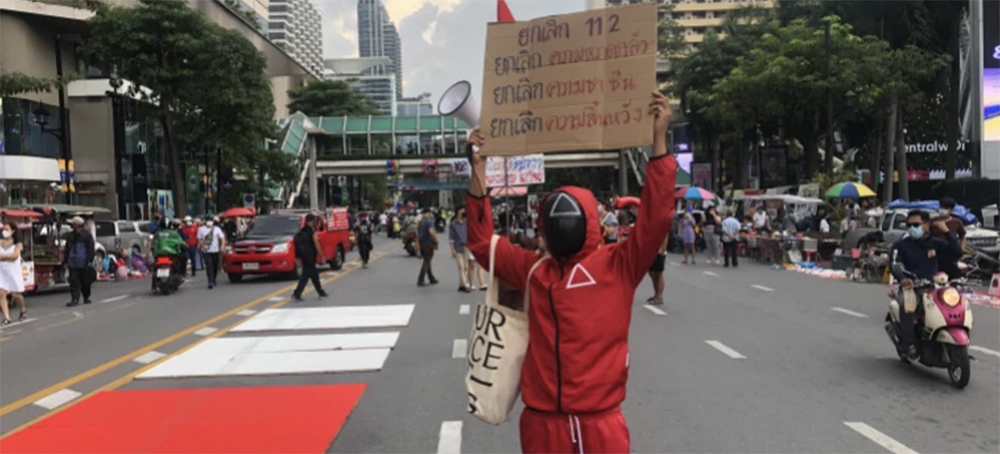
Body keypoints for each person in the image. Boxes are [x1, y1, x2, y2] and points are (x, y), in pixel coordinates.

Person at [466, 92, 675, 454]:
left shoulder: (617, 264)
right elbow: (482, 243)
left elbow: (656, 218)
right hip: (544, 424)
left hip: (598, 424)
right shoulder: (536, 270)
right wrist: (478, 168)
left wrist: (659, 141)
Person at [890, 210, 962, 359]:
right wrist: (903, 278)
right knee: (907, 303)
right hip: (911, 287)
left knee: (954, 302)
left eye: (916, 224)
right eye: (909, 225)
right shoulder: (901, 245)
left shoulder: (934, 243)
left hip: (933, 286)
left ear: (927, 225)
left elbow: (957, 252)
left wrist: (947, 231)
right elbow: (894, 264)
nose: (911, 228)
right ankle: (910, 343)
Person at [292, 214, 328, 301]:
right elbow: (316, 243)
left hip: (303, 256)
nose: (314, 223)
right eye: (313, 221)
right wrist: (321, 255)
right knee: (306, 276)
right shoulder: (312, 232)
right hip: (310, 256)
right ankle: (297, 293)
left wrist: (297, 257)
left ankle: (320, 291)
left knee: (314, 275)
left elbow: (296, 245)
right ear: (309, 222)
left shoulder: (301, 233)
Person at [64, 216, 95, 307]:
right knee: (74, 281)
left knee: (85, 281)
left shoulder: (87, 235)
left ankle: (86, 297)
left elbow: (91, 249)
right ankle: (75, 298)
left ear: (77, 225)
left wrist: (89, 260)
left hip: (83, 263)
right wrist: (66, 261)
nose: (72, 226)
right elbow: (67, 249)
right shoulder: (71, 236)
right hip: (73, 263)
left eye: (73, 224)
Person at [0, 222, 27, 324]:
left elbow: (15, 256)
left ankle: (22, 309)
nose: (4, 232)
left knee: (16, 294)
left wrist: (3, 257)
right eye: (3, 229)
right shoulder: (0, 242)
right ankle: (7, 317)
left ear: (13, 231)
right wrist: (7, 258)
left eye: (7, 229)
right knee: (1, 293)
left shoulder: (17, 244)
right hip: (2, 271)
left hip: (13, 271)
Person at [933, 197, 967, 279]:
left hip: (951, 254)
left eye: (946, 208)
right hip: (936, 255)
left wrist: (961, 249)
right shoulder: (933, 221)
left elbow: (962, 236)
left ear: (951, 210)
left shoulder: (957, 222)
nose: (942, 210)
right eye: (941, 207)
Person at [151, 221, 188, 290]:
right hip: (171, 254)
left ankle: (153, 286)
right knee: (183, 258)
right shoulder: (174, 233)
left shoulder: (157, 233)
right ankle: (182, 274)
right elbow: (181, 242)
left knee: (155, 268)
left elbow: (153, 243)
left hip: (159, 255)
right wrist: (185, 245)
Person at [198, 217, 226, 289]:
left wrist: (222, 246)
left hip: (215, 250)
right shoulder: (201, 229)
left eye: (210, 221)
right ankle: (210, 281)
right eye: (208, 221)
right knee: (209, 266)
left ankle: (214, 279)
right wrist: (202, 246)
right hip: (206, 251)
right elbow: (199, 239)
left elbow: (222, 238)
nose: (209, 222)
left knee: (215, 266)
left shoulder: (217, 229)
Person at [449, 206, 472, 292]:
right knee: (461, 266)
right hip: (457, 245)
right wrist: (452, 249)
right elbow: (451, 237)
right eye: (461, 210)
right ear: (458, 211)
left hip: (466, 245)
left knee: (465, 266)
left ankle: (461, 284)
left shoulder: (467, 222)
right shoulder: (453, 224)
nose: (463, 211)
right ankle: (466, 284)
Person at [417, 208, 439, 286]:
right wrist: (436, 241)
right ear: (429, 213)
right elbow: (431, 232)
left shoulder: (421, 222)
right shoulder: (429, 222)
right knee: (426, 261)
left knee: (427, 260)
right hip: (428, 243)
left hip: (422, 243)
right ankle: (421, 279)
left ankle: (431, 278)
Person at [645, 236, 668, 305]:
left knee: (659, 273)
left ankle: (659, 296)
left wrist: (662, 251)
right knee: (652, 273)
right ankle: (656, 294)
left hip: (659, 252)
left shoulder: (662, 225)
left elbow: (665, 237)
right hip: (651, 251)